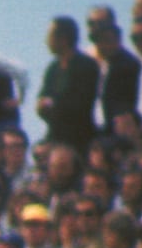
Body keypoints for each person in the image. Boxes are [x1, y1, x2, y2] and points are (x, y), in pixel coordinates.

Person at [37, 16, 101, 152]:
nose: (47, 41)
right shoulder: (53, 68)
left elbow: (81, 103)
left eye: (51, 36)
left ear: (63, 38)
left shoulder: (86, 66)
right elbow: (43, 98)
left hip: (80, 138)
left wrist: (54, 105)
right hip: (55, 135)